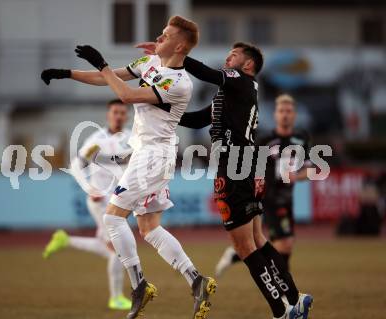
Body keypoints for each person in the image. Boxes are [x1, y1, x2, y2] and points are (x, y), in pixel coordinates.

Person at [41, 16, 217, 319]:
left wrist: (103, 64)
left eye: (165, 35)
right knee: (149, 228)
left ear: (180, 45)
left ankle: (139, 286)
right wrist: (67, 73)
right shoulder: (149, 62)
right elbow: (109, 79)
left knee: (112, 218)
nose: (158, 38)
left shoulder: (178, 82)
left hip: (154, 155)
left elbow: (127, 94)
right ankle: (197, 280)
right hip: (148, 154)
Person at [136, 42, 312, 319]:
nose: (228, 56)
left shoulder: (240, 80)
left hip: (234, 165)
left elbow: (204, 71)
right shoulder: (232, 92)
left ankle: (281, 311)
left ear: (248, 64)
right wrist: (164, 110)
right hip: (246, 163)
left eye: (235, 54)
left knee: (243, 246)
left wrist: (168, 54)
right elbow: (197, 120)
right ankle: (293, 297)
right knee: (257, 239)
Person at [42, 99, 132, 310]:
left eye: (122, 112)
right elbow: (75, 165)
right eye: (115, 112)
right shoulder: (96, 140)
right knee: (119, 248)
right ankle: (116, 297)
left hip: (119, 201)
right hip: (101, 202)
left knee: (108, 248)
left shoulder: (131, 139)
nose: (118, 116)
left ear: (126, 116)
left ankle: (65, 240)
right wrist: (88, 187)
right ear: (108, 115)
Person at [215, 94, 312, 275]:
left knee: (282, 247)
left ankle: (236, 254)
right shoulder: (264, 141)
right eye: (281, 111)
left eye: (289, 111)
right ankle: (285, 293)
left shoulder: (301, 139)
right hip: (268, 197)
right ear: (275, 114)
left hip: (287, 198)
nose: (285, 115)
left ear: (294, 115)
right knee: (284, 244)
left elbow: (309, 170)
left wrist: (296, 177)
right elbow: (251, 168)